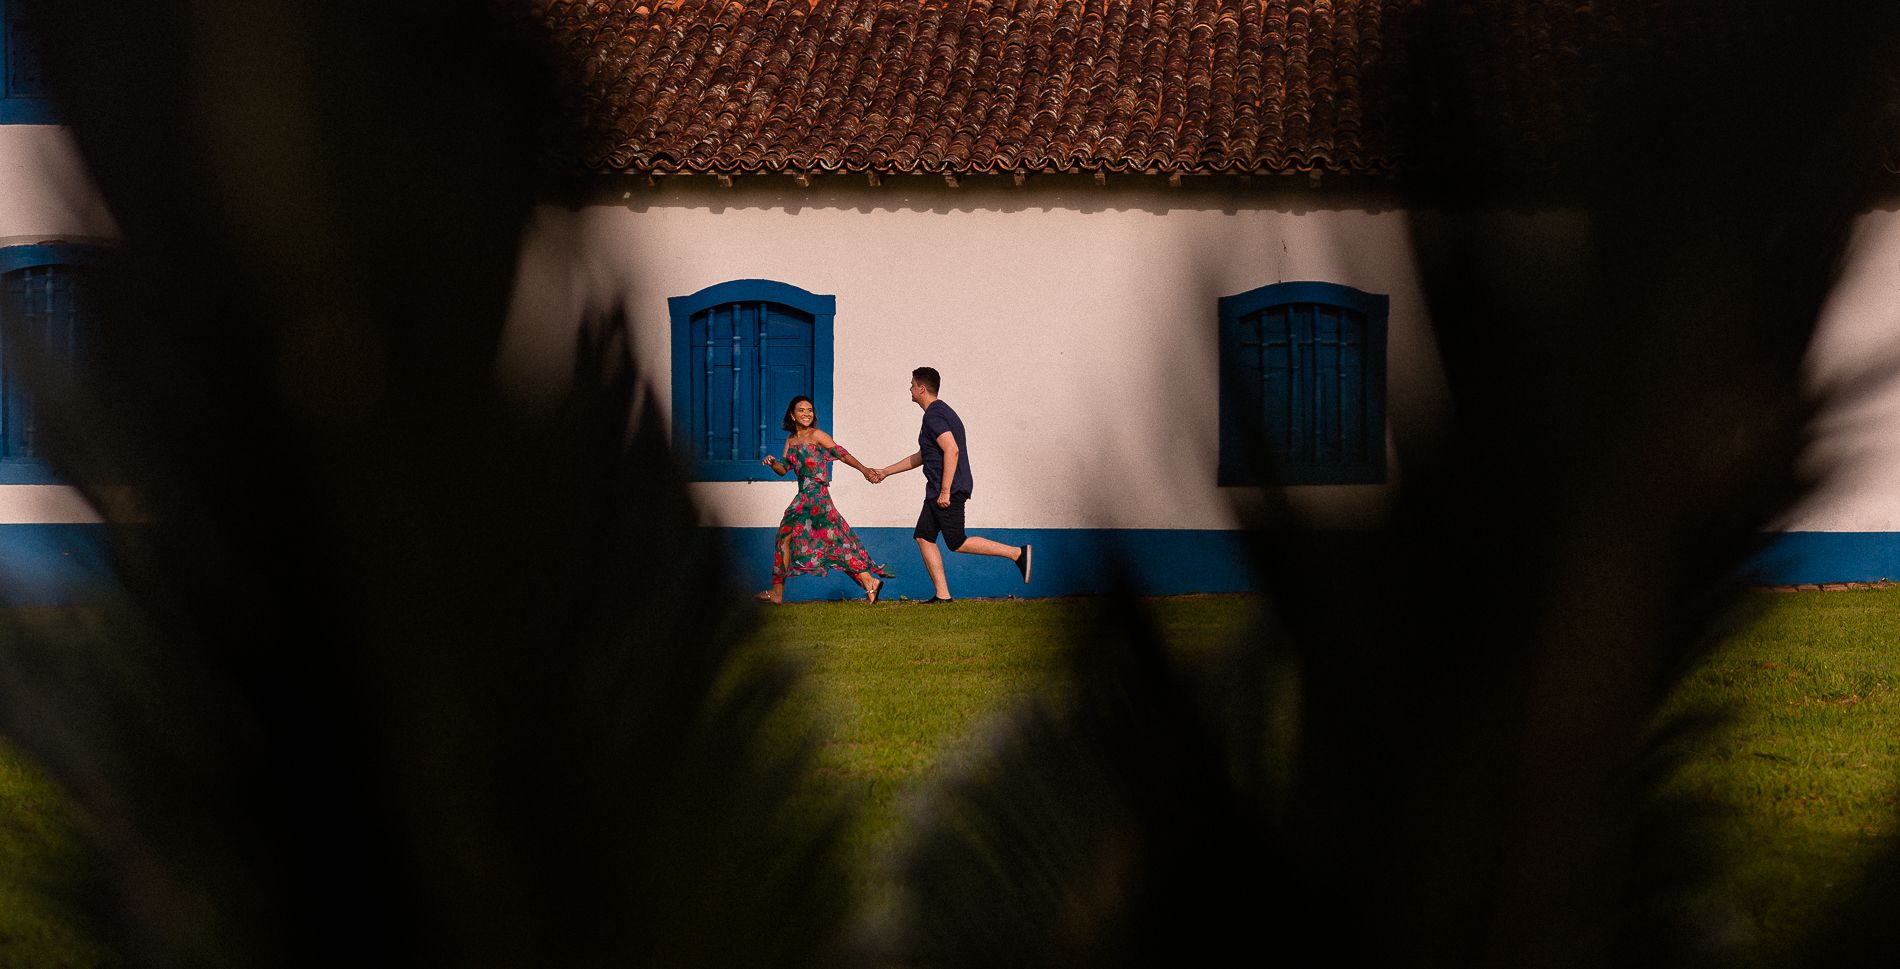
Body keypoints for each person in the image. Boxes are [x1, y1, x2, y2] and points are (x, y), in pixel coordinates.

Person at [872, 367, 1030, 603]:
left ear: (921, 388)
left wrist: (945, 490)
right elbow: (922, 455)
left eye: (912, 384)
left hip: (947, 489)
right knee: (924, 536)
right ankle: (942, 595)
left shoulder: (934, 415)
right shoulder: (939, 413)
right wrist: (886, 471)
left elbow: (951, 449)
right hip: (937, 490)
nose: (910, 388)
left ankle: (1017, 553)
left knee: (956, 541)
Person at [755, 395, 893, 605]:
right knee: (823, 541)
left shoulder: (817, 435)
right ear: (792, 415)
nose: (807, 414)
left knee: (807, 539)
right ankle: (869, 582)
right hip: (804, 496)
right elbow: (784, 469)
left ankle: (777, 592)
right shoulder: (791, 440)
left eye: (810, 410)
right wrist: (773, 462)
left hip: (817, 497)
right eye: (801, 410)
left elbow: (842, 454)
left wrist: (864, 470)